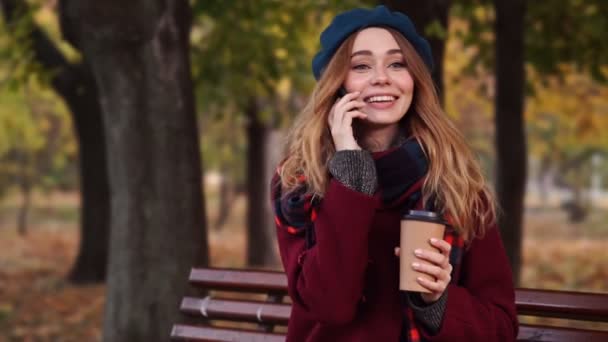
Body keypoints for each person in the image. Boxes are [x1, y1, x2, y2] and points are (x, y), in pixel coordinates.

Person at [270, 5, 518, 342]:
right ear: (337, 84)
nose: (381, 77)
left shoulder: (457, 184)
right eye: (360, 66)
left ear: (414, 79)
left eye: (397, 63)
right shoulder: (299, 182)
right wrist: (352, 174)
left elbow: (501, 328)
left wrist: (437, 301)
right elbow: (330, 306)